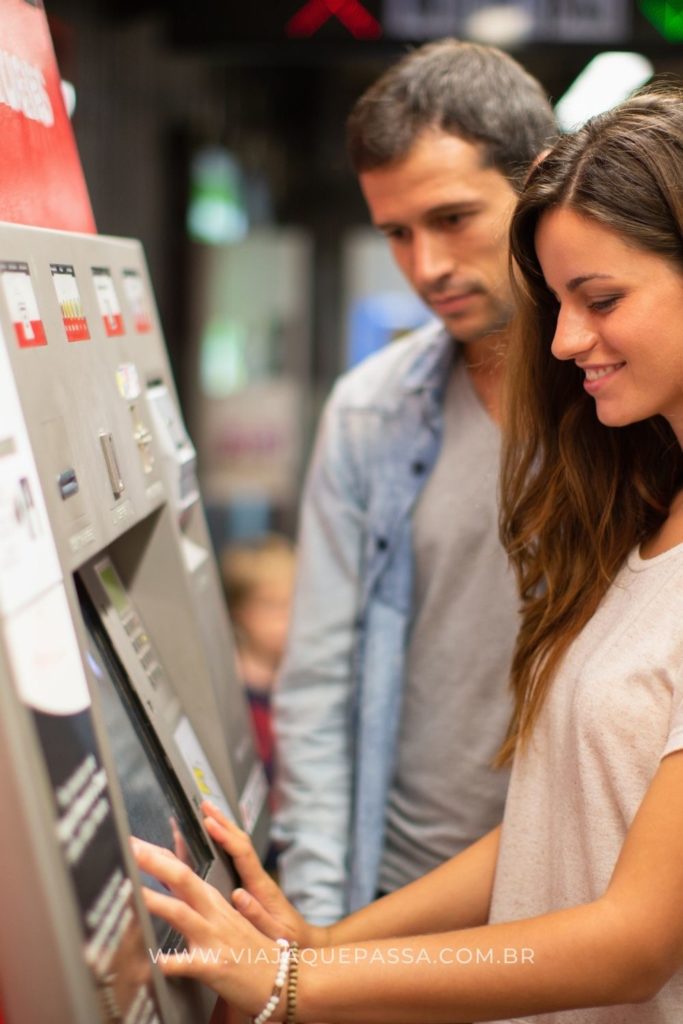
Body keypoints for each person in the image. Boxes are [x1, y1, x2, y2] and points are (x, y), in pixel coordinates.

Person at [133, 86, 683, 1022]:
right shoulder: (642, 506)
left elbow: (631, 943)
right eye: (557, 302)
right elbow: (555, 821)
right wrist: (326, 941)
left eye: (599, 299)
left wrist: (294, 983)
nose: (564, 340)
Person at [272, 39, 558, 924]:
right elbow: (317, 686)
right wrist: (318, 940)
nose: (425, 265)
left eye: (453, 218)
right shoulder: (370, 412)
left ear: (541, 183)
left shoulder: (632, 403)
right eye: (395, 232)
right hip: (397, 895)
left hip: (580, 891)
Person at [221, 534, 296, 787]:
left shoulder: (295, 680)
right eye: (271, 605)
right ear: (238, 611)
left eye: (293, 602)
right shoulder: (232, 698)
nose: (287, 617)